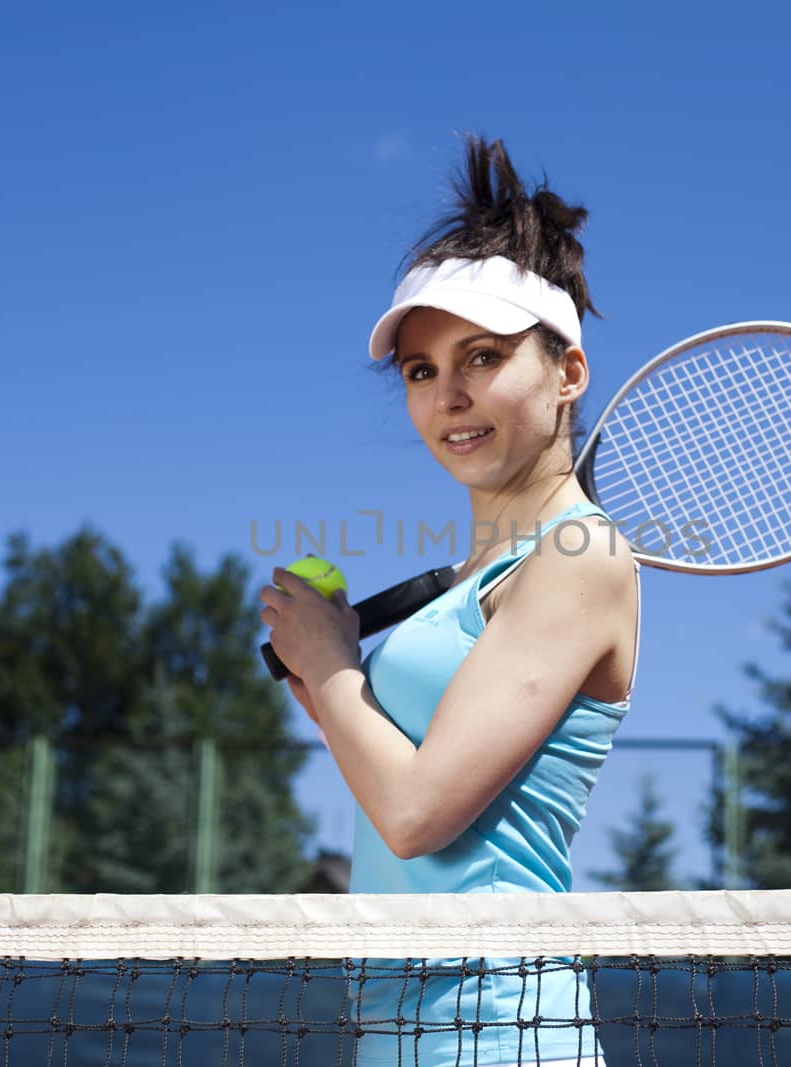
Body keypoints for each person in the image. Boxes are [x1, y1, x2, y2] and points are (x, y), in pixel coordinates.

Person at [260, 135, 640, 1067]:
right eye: (422, 371)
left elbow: (420, 813)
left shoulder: (582, 554)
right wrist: (328, 688)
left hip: (500, 1029)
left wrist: (334, 665)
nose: (448, 395)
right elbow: (397, 784)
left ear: (567, 373)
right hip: (402, 1028)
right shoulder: (468, 589)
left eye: (481, 356)